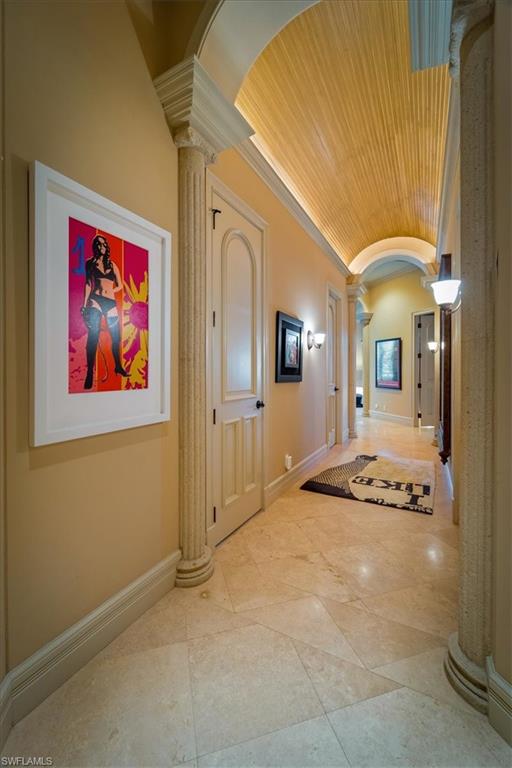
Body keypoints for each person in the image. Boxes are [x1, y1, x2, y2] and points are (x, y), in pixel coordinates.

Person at [81, 234, 129, 390]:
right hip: (95, 300)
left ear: (106, 247)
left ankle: (118, 367)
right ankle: (89, 372)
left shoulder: (112, 264)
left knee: (116, 336)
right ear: (95, 247)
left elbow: (120, 284)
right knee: (93, 335)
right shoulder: (90, 263)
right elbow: (88, 284)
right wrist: (84, 304)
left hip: (110, 303)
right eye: (99, 244)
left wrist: (111, 291)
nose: (102, 247)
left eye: (104, 245)